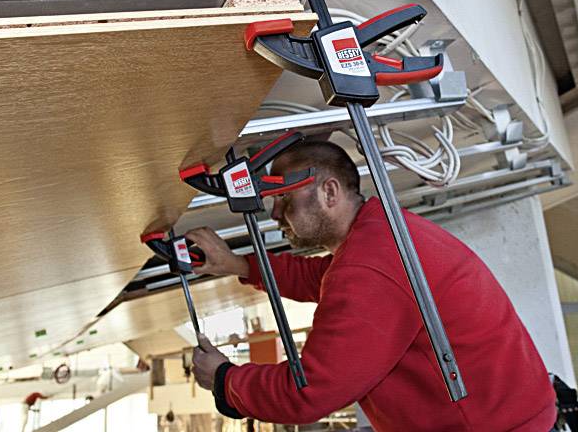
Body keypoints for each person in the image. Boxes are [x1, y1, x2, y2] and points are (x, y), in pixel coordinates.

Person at [187, 141, 556, 431]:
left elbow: (307, 393)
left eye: (284, 197)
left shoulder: (371, 264)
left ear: (329, 193)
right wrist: (234, 264)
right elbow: (321, 278)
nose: (275, 214)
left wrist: (225, 380)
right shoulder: (379, 233)